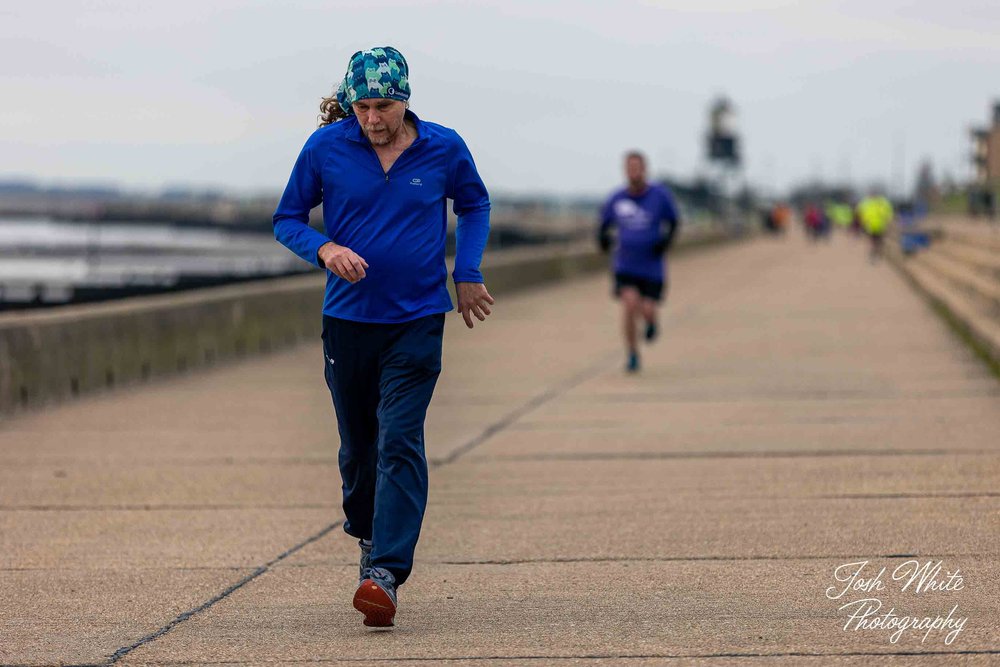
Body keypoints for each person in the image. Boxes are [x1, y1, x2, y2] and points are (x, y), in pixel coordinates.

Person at [272, 46, 493, 628]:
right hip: (348, 323)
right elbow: (287, 218)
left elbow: (474, 203)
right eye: (363, 106)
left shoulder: (444, 146)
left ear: (406, 100)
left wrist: (465, 272)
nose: (374, 119)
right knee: (358, 447)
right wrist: (325, 248)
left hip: (418, 318)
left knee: (400, 439)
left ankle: (386, 573)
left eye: (385, 106)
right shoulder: (326, 148)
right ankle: (369, 536)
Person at [598, 151, 681, 373]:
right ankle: (632, 354)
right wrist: (603, 240)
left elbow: (673, 222)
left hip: (652, 266)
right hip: (626, 264)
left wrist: (664, 243)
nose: (633, 171)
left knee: (647, 308)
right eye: (629, 167)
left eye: (637, 167)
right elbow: (604, 225)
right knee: (629, 305)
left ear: (644, 169)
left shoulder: (659, 196)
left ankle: (652, 322)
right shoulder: (617, 198)